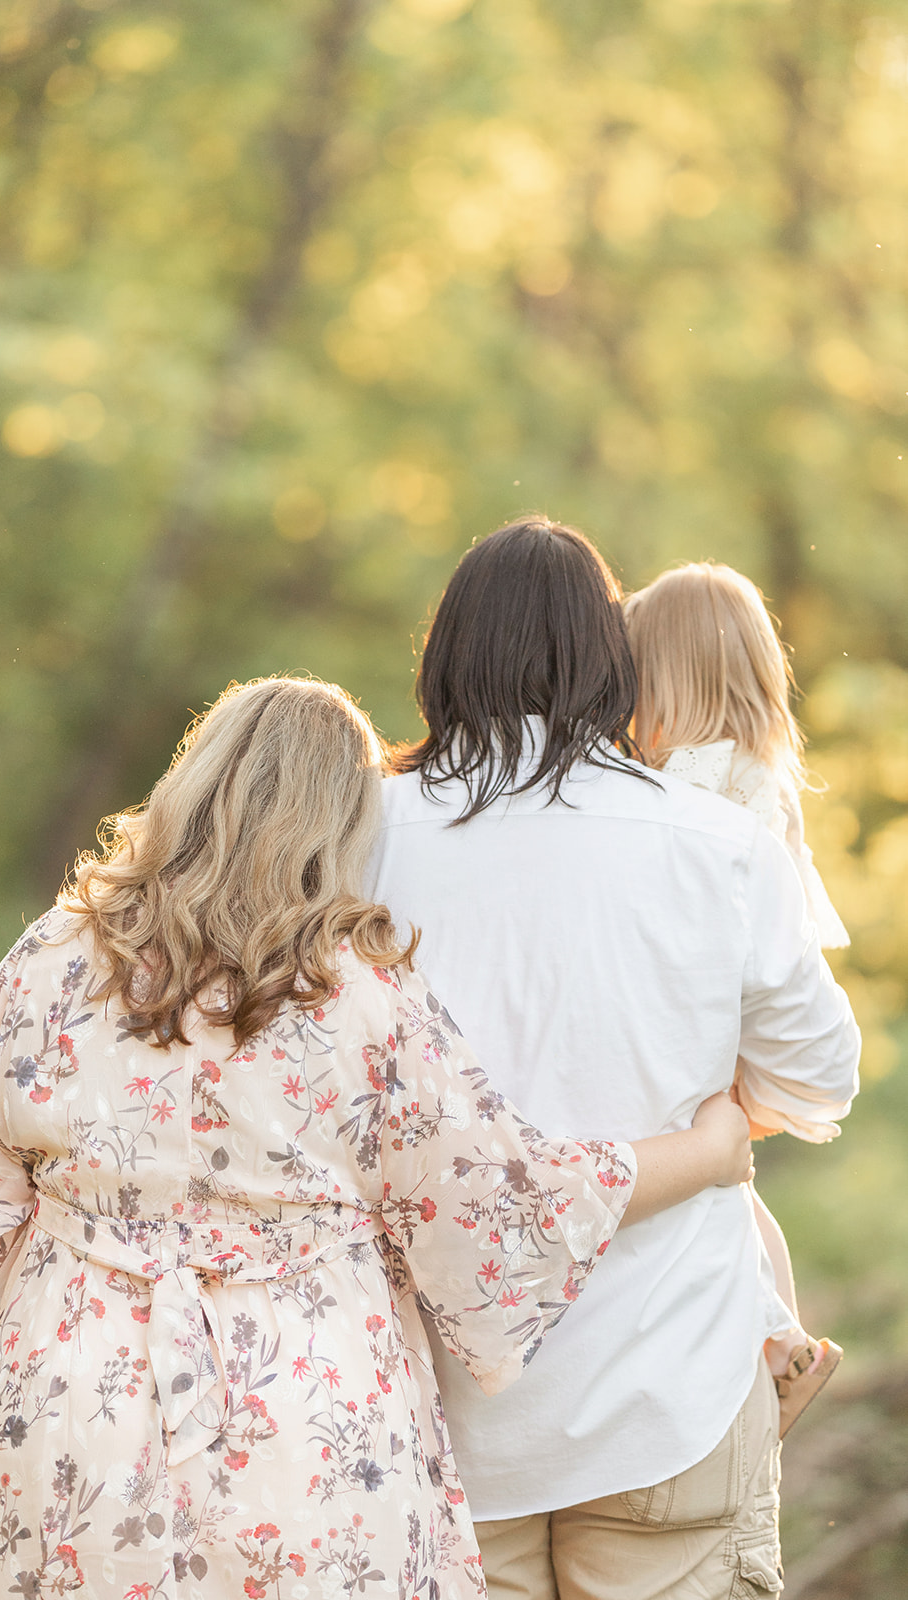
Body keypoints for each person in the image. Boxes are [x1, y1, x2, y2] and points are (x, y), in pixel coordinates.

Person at [0, 676, 751, 1600]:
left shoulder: (58, 955)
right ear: (345, 824)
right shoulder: (366, 999)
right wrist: (704, 1154)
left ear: (193, 781)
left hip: (64, 1398)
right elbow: (496, 1219)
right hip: (303, 1415)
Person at [369, 519, 861, 1600]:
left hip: (433, 1404)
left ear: (441, 654)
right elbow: (818, 1076)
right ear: (609, 660)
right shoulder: (712, 840)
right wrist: (715, 1127)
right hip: (664, 1383)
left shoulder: (361, 829)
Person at [625, 560, 850, 1435]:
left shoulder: (686, 780)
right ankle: (786, 1340)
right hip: (733, 1015)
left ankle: (780, 1341)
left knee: (709, 1188)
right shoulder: (763, 777)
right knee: (733, 1190)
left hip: (687, 1012)